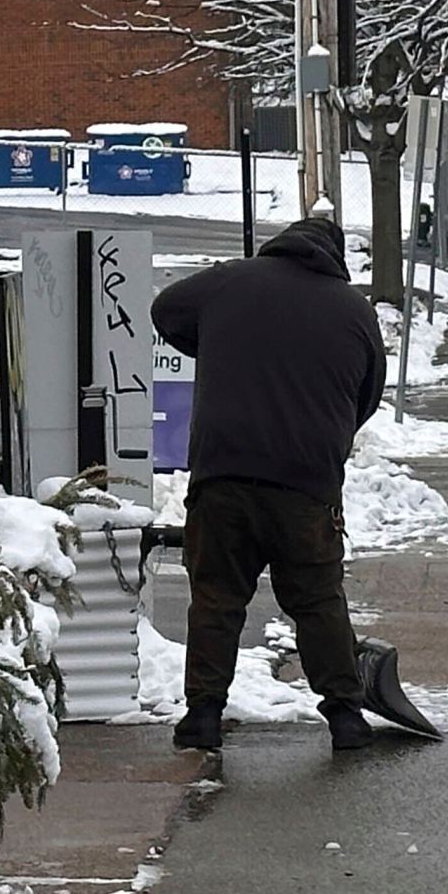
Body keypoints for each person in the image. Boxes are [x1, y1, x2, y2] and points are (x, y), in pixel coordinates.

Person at [150, 217, 386, 754]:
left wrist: (212, 342)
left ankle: (203, 715)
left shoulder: (230, 282)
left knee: (215, 598)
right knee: (318, 601)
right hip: (306, 486)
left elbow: (165, 310)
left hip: (222, 478)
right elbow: (368, 393)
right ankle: (345, 716)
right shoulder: (352, 309)